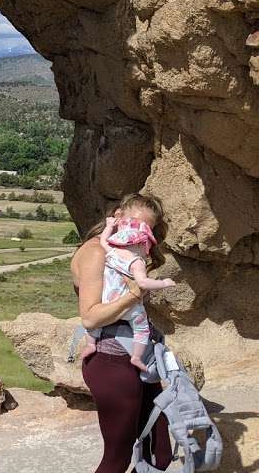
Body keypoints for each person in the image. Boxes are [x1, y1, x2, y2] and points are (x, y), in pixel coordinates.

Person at [71, 193, 173, 473]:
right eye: (133, 222)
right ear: (117, 217)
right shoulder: (96, 252)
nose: (138, 231)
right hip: (110, 361)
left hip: (137, 358)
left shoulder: (124, 252)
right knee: (117, 458)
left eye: (146, 228)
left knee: (159, 451)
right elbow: (90, 316)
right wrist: (133, 296)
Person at [81, 203, 177, 369]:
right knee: (142, 328)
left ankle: (91, 344)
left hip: (112, 341)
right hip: (111, 354)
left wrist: (110, 226)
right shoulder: (124, 258)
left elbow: (104, 240)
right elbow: (90, 319)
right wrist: (160, 284)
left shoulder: (110, 251)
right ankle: (136, 357)